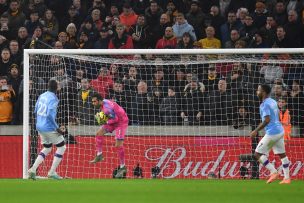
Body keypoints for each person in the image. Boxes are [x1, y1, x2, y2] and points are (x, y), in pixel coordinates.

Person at [250, 84, 290, 184]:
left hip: (272, 133)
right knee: (282, 155)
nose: (257, 92)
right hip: (280, 131)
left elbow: (267, 120)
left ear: (263, 92)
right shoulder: (272, 101)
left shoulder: (264, 105)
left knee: (257, 154)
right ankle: (287, 178)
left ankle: (273, 172)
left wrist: (256, 130)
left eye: (258, 90)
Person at [28, 80, 66, 180]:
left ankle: (33, 169)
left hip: (39, 126)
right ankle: (52, 172)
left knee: (48, 147)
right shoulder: (54, 98)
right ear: (56, 87)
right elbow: (49, 114)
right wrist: (56, 128)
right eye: (58, 84)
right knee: (62, 147)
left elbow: (35, 110)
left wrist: (39, 123)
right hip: (48, 127)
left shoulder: (42, 95)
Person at [90, 93, 129, 178]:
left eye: (94, 101)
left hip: (121, 122)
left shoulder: (107, 108)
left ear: (100, 101)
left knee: (118, 145)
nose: (93, 103)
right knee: (99, 134)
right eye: (92, 102)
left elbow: (115, 119)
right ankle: (99, 155)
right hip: (114, 119)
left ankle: (123, 167)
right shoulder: (103, 103)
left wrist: (105, 121)